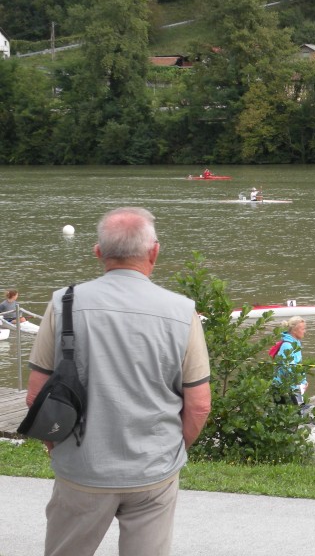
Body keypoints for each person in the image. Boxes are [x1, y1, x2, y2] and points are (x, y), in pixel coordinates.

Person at [26, 207, 211, 556]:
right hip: (153, 471)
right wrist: (173, 450)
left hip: (82, 468)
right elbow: (199, 404)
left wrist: (57, 445)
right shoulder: (182, 311)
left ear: (98, 252)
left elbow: (36, 395)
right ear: (154, 251)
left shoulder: (63, 303)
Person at [273, 316, 308, 408]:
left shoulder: (296, 343)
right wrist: (300, 381)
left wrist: (304, 381)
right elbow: (288, 368)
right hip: (284, 388)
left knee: (300, 412)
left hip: (294, 386)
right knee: (292, 415)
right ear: (294, 330)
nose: (305, 331)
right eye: (303, 329)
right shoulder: (287, 346)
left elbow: (298, 365)